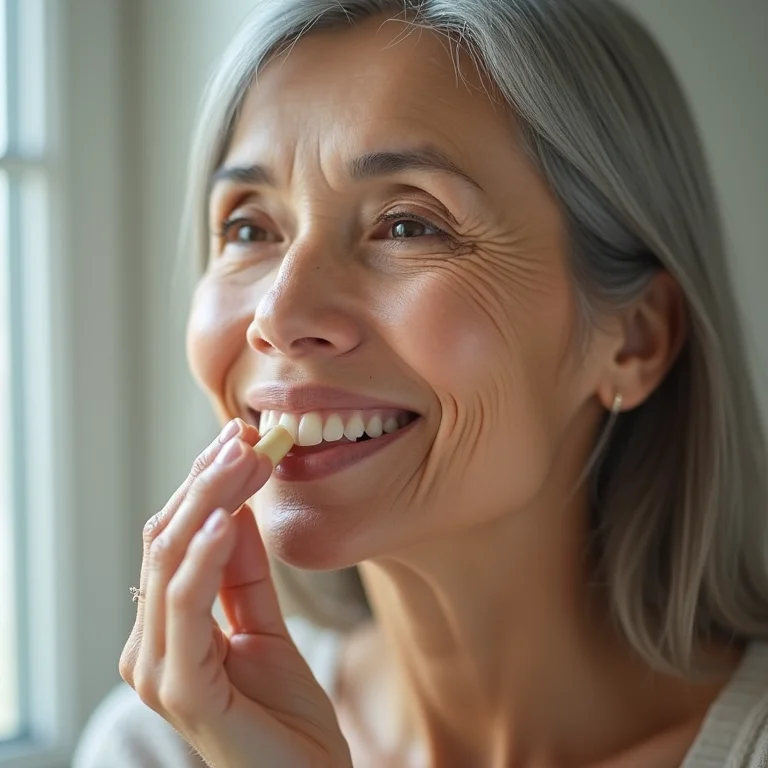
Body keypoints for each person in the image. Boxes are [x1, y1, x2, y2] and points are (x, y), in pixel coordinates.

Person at [73, 0, 768, 765]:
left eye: (409, 225)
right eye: (250, 228)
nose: (278, 316)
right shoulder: (157, 747)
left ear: (635, 339)